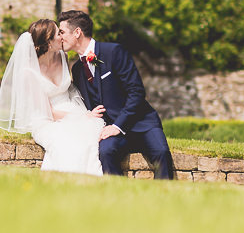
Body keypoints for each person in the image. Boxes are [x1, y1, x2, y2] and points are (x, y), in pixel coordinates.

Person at [57, 10, 176, 179]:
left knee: (162, 152)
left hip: (141, 123)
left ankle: (164, 199)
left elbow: (136, 92)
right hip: (109, 129)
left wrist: (117, 126)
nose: (60, 37)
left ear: (77, 32)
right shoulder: (76, 69)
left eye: (62, 32)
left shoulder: (114, 52)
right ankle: (118, 196)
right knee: (105, 152)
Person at [0, 19, 106, 175]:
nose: (62, 37)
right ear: (48, 42)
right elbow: (48, 111)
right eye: (57, 34)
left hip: (71, 108)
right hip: (46, 119)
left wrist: (84, 112)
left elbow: (70, 89)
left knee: (91, 134)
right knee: (67, 142)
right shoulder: (29, 72)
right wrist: (82, 115)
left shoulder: (62, 56)